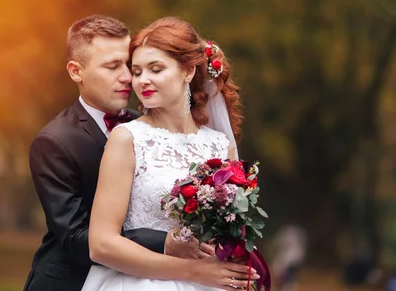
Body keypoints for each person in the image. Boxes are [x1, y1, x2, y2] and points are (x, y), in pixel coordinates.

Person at [23, 15, 253, 291]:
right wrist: (169, 247)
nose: (130, 78)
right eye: (119, 67)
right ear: (76, 71)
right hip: (86, 279)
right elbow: (82, 239)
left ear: (188, 71)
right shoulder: (63, 141)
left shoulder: (216, 143)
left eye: (132, 67)